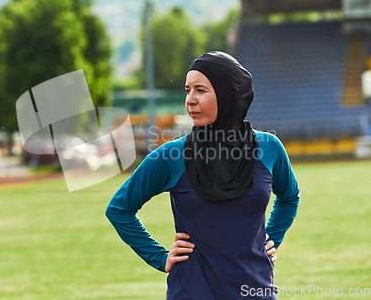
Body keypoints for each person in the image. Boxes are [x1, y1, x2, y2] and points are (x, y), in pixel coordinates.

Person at [105, 51, 300, 299]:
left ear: (228, 94)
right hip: (192, 291)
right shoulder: (171, 156)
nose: (190, 100)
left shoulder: (269, 148)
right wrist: (159, 257)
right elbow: (119, 208)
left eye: (200, 90)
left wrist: (272, 238)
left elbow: (289, 197)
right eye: (187, 90)